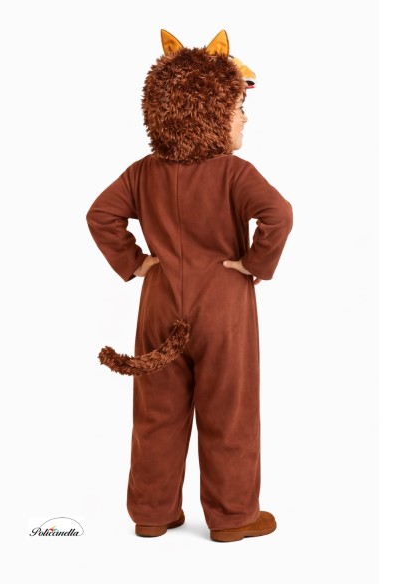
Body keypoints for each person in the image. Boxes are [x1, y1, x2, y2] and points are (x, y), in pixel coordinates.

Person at [86, 29, 293, 542]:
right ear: (211, 111)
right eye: (238, 108)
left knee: (156, 412)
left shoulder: (143, 173)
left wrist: (137, 263)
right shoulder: (235, 173)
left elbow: (100, 215)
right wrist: (254, 264)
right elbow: (279, 214)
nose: (244, 118)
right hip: (223, 309)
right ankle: (232, 517)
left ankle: (152, 513)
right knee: (229, 411)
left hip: (160, 305)